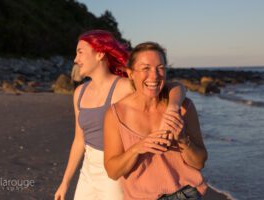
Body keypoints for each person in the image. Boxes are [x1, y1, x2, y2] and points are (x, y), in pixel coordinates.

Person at [54, 30, 187, 200]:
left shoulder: (125, 86)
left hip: (115, 173)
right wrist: (65, 183)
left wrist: (172, 108)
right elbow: (79, 140)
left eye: (80, 52)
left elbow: (176, 87)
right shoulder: (79, 92)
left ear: (100, 54)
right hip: (88, 170)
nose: (75, 59)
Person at [104, 42, 208, 200]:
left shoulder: (184, 107)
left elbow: (199, 163)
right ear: (130, 73)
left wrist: (181, 139)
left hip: (186, 195)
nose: (154, 75)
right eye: (145, 68)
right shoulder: (116, 114)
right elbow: (113, 172)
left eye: (160, 68)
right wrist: (137, 148)